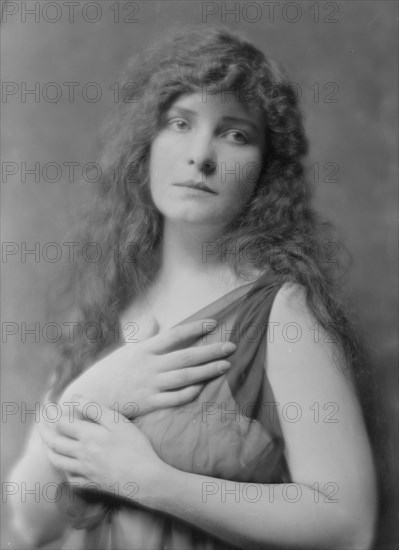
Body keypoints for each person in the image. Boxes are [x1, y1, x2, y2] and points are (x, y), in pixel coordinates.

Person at [9, 25, 377, 549]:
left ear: (264, 172)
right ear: (146, 145)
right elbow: (28, 525)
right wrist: (86, 395)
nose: (200, 156)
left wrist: (153, 482)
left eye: (235, 134)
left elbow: (348, 527)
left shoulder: (283, 311)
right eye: (180, 123)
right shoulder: (106, 304)